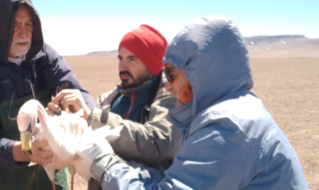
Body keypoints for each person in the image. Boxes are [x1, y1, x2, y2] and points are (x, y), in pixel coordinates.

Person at [74, 16, 309, 189]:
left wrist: (105, 165)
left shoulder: (227, 126)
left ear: (200, 73)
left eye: (172, 75)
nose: (167, 86)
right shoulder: (235, 108)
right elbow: (180, 178)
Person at [0, 0, 96, 190]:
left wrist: (83, 112)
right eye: (15, 25)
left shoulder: (43, 56)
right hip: (4, 180)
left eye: (29, 24)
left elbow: (76, 91)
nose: (25, 33)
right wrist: (24, 150)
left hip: (51, 176)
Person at [48, 25, 183, 189]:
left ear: (151, 64)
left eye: (132, 59)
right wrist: (65, 126)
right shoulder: (110, 100)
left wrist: (93, 117)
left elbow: (158, 142)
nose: (122, 67)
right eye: (120, 58)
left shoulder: (171, 97)